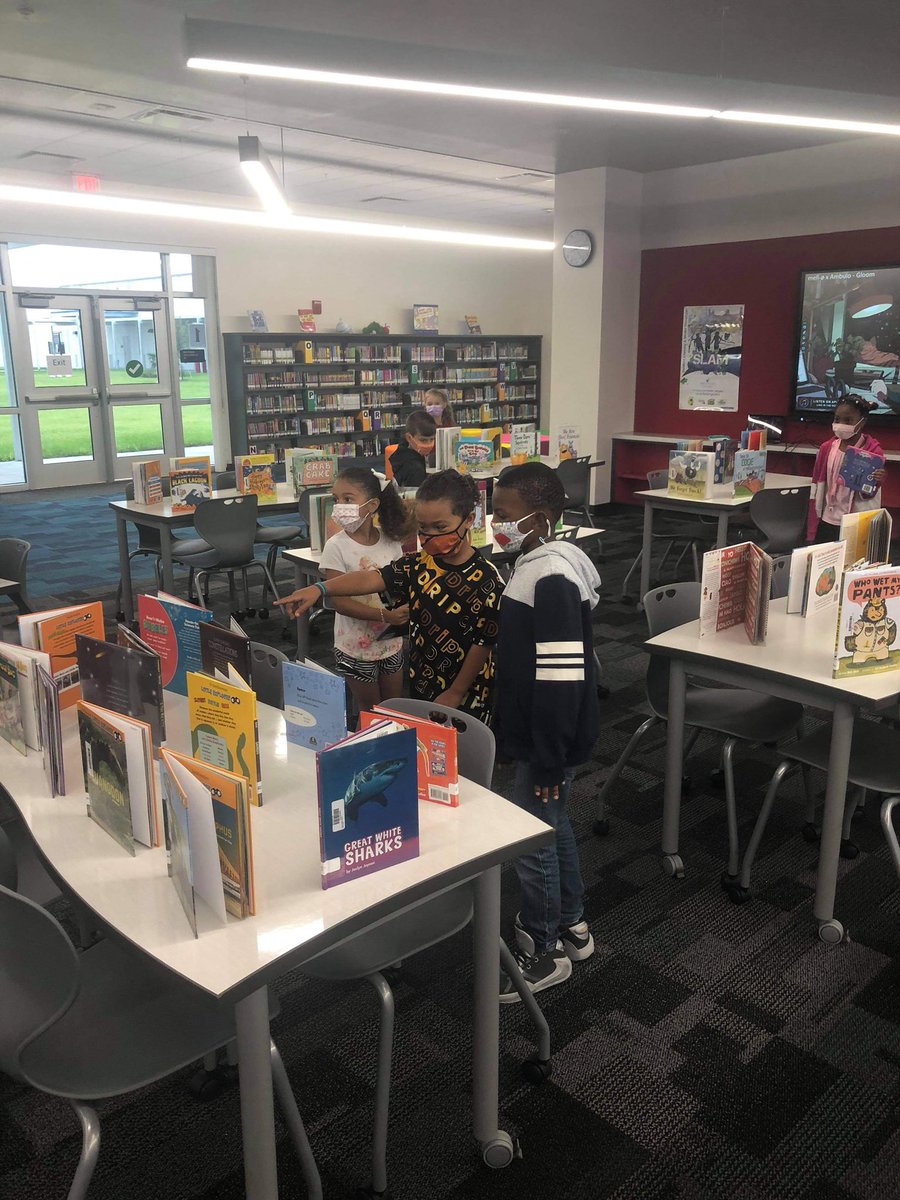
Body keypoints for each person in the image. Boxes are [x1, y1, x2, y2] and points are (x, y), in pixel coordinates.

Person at [490, 463, 600, 1000]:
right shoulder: (538, 563)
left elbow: (560, 675)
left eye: (505, 515)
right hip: (545, 737)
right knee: (553, 824)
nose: (495, 523)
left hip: (547, 740)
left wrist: (549, 755)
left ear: (541, 517)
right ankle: (574, 923)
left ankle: (545, 945)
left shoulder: (550, 577)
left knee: (532, 839)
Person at [279, 470, 503, 720]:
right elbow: (372, 578)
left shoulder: (487, 579)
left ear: (469, 520)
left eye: (440, 527)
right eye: (423, 527)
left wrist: (456, 691)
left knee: (465, 751)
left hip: (467, 693)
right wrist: (320, 588)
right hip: (423, 681)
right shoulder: (418, 564)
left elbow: (484, 642)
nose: (429, 536)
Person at [318, 467, 415, 717]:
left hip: (390, 643)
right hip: (355, 646)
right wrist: (386, 616)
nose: (339, 506)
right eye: (335, 499)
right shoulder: (336, 546)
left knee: (395, 709)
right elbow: (339, 602)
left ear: (372, 505)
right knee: (371, 712)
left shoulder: (390, 541)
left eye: (348, 499)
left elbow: (399, 584)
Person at [807, 394, 887, 543]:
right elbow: (817, 485)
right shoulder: (826, 448)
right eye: (837, 419)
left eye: (848, 420)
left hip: (854, 522)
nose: (841, 424)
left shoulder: (872, 453)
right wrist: (813, 522)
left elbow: (870, 492)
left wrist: (877, 479)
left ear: (862, 423)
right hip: (826, 519)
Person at [389, 409, 436, 487]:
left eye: (432, 439)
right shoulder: (415, 469)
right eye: (423, 440)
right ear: (409, 438)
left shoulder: (402, 452)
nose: (428, 444)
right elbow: (417, 497)